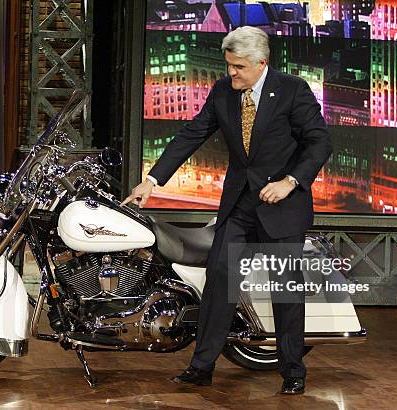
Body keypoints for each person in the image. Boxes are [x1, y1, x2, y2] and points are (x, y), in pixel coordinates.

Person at [122, 26, 332, 395]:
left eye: (238, 67)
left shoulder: (292, 89)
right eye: (229, 65)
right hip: (239, 206)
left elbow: (319, 142)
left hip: (283, 205)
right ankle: (202, 366)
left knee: (285, 291)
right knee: (219, 280)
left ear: (261, 63)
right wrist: (152, 181)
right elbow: (192, 133)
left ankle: (292, 371)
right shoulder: (223, 91)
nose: (231, 73)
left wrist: (290, 182)